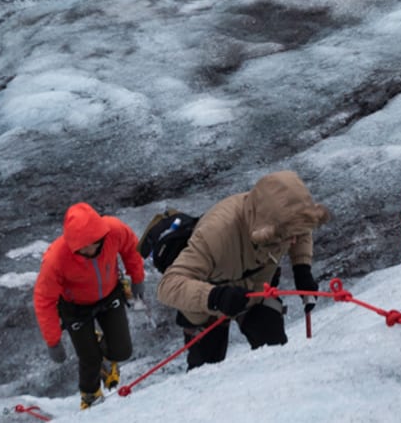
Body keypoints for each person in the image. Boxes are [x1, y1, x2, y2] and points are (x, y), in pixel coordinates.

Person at [156, 170, 329, 372]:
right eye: (286, 236)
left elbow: (301, 229)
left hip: (257, 292)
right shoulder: (216, 233)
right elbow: (168, 285)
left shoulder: (283, 220)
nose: (292, 241)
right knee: (206, 371)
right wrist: (214, 297)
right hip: (208, 304)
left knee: (275, 353)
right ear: (266, 228)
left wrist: (302, 268)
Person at [31, 202, 144, 412]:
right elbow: (43, 299)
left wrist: (137, 278)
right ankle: (90, 395)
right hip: (76, 308)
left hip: (110, 296)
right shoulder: (56, 258)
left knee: (122, 350)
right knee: (89, 358)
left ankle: (104, 351)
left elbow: (131, 248)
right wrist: (53, 341)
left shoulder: (114, 230)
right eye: (79, 246)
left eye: (89, 244)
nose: (84, 250)